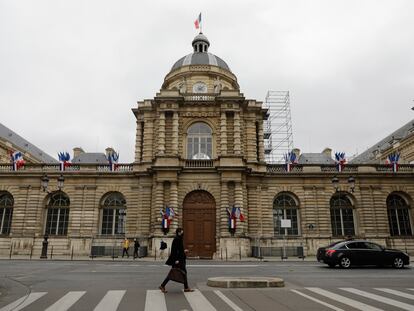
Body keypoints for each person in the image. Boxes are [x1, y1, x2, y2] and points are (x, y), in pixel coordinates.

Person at [159, 228, 194, 293]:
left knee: (183, 273)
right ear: (178, 232)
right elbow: (174, 251)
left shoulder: (179, 239)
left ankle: (186, 287)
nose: (182, 233)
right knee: (175, 273)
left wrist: (183, 251)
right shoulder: (177, 239)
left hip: (180, 258)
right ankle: (162, 285)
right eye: (181, 232)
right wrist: (176, 260)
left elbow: (179, 250)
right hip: (178, 259)